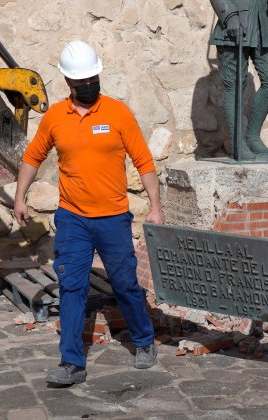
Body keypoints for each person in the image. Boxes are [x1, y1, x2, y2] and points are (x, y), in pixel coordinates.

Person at [13, 40, 164, 386]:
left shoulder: (118, 112)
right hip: (73, 220)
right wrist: (20, 197)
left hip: (113, 218)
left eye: (92, 79)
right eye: (80, 82)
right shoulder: (55, 117)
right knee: (72, 287)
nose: (88, 86)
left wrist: (155, 207)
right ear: (68, 82)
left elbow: (143, 161)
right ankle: (71, 363)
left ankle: (143, 341)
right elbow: (32, 158)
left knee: (125, 283)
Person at [209, 0, 268, 159]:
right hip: (235, 22)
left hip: (266, 22)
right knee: (235, 84)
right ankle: (238, 144)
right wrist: (229, 13)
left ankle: (253, 137)